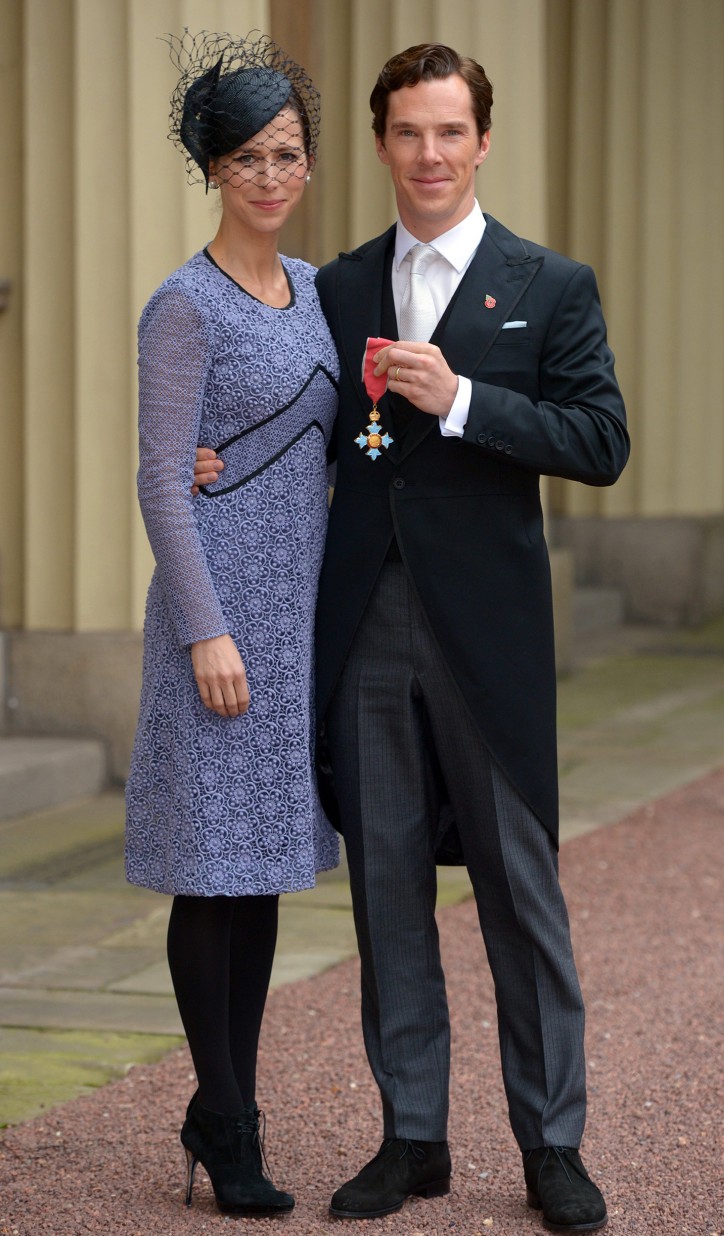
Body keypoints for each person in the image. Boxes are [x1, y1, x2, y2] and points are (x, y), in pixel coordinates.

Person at [195, 41, 629, 1232]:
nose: (428, 154)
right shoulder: (336, 288)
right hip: (364, 624)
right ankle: (414, 1137)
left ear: (482, 141)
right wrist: (211, 458)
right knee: (386, 889)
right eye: (406, 133)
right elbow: (288, 416)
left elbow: (602, 440)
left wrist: (470, 402)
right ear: (382, 145)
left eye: (449, 132)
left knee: (518, 894)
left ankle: (550, 1144)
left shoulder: (551, 284)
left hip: (487, 634)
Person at [124, 30, 339, 1217]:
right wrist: (206, 628)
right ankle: (231, 1122)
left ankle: (222, 1105)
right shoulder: (181, 308)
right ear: (212, 167)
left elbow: (343, 434)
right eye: (247, 157)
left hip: (299, 612)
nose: (269, 175)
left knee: (256, 873)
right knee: (210, 873)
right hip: (218, 619)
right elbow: (163, 479)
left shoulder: (317, 290)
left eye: (288, 154)